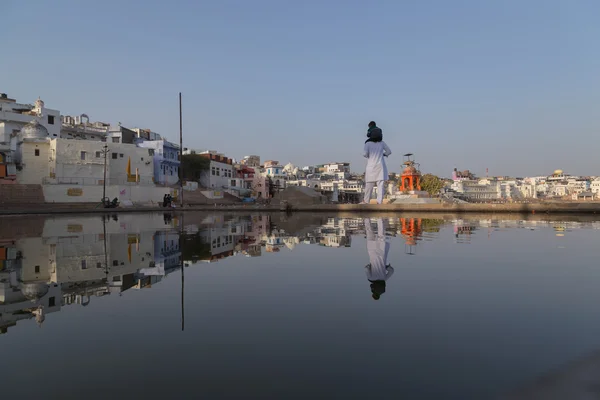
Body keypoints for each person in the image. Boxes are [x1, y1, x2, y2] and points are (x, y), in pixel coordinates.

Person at [364, 218, 394, 300]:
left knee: (381, 234)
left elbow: (392, 271)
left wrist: (386, 267)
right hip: (372, 252)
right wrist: (370, 266)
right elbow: (366, 268)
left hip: (382, 252)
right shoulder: (371, 278)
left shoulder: (384, 278)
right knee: (369, 231)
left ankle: (379, 218)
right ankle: (367, 217)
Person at [362, 128, 392, 204]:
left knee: (369, 185)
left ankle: (366, 201)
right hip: (380, 167)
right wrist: (383, 154)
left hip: (371, 167)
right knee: (380, 186)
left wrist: (370, 155)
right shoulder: (382, 143)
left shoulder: (368, 144)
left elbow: (365, 154)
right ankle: (379, 202)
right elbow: (389, 151)